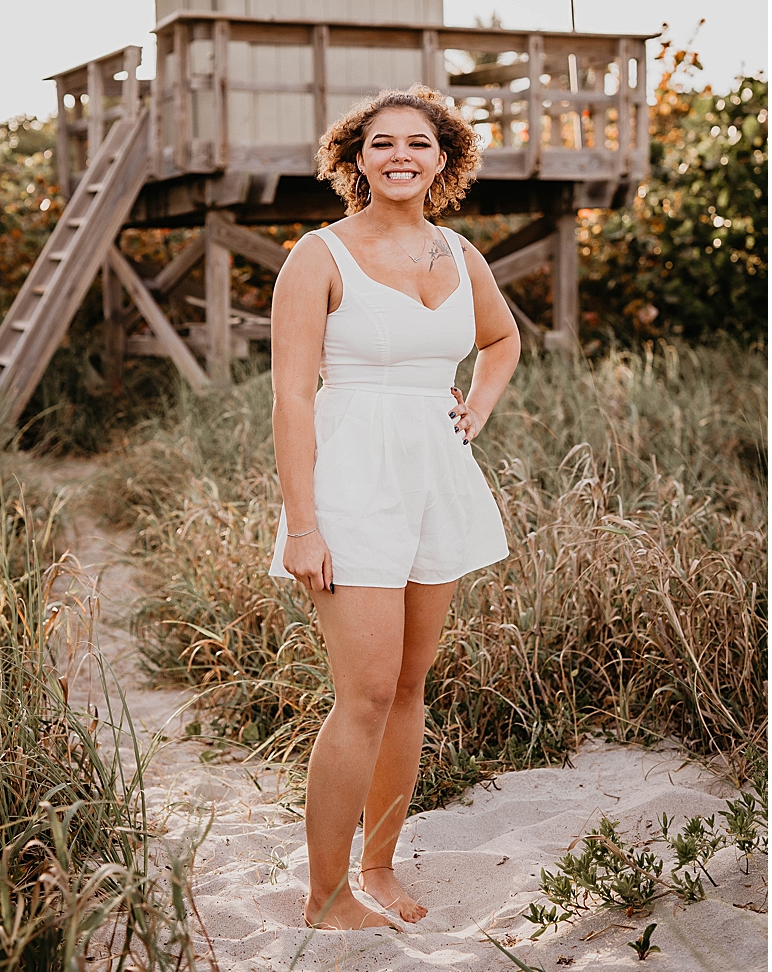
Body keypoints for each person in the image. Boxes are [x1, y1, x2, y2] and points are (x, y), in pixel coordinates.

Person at [268, 86, 519, 930]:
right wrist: (303, 526)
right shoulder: (319, 255)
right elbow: (292, 400)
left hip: (434, 477)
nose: (400, 156)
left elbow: (503, 337)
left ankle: (378, 868)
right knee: (365, 691)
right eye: (382, 144)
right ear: (355, 160)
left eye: (419, 143)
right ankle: (325, 895)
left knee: (410, 684)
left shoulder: (459, 254)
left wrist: (477, 408)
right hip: (349, 484)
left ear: (444, 159)